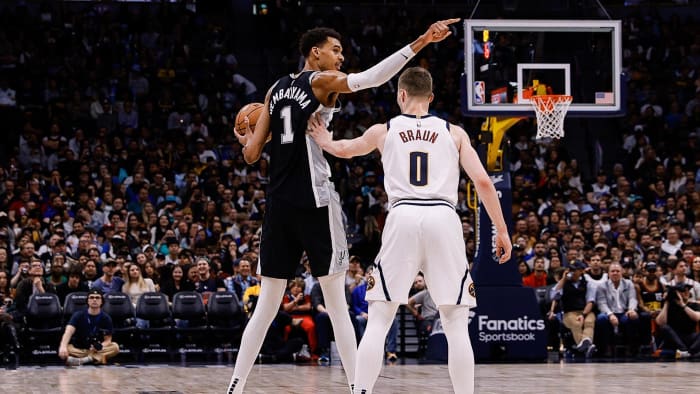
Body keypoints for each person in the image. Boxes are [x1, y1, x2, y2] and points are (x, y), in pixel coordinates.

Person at [228, 18, 460, 394]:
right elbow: (369, 78)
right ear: (314, 52)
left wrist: (245, 136)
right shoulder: (319, 80)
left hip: (279, 205)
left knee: (266, 306)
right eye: (335, 50)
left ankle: (235, 387)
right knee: (337, 307)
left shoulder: (273, 90)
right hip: (316, 202)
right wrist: (422, 41)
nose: (341, 57)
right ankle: (357, 389)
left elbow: (252, 155)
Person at [308, 66, 511, 394]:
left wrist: (325, 140)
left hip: (402, 215)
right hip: (444, 218)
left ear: (401, 95)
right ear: (430, 98)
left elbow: (345, 150)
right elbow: (484, 182)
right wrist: (501, 230)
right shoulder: (454, 132)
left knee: (379, 318)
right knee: (455, 323)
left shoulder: (383, 130)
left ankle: (360, 392)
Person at [58, 289, 119, 366]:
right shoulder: (78, 315)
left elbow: (108, 340)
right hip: (80, 349)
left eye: (97, 298)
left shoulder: (106, 318)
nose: (94, 300)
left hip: (97, 349)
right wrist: (63, 346)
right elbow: (68, 332)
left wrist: (100, 345)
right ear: (87, 301)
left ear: (101, 302)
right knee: (68, 347)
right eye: (91, 297)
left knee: (115, 347)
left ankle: (83, 360)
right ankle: (96, 358)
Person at [550, 260, 597, 357]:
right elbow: (553, 295)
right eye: (570, 269)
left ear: (581, 271)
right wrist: (563, 279)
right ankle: (587, 346)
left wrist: (583, 314)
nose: (571, 272)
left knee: (589, 322)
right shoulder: (563, 283)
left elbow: (590, 301)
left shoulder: (588, 283)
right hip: (569, 312)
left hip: (585, 311)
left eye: (574, 270)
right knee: (576, 323)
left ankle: (584, 345)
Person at [594, 262, 641, 356]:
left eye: (617, 271)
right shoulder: (602, 286)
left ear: (622, 272)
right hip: (609, 312)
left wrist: (631, 309)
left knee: (632, 318)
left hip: (624, 312)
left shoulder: (628, 283)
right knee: (601, 319)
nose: (615, 273)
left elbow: (633, 298)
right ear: (608, 273)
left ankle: (630, 347)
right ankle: (607, 347)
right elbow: (601, 303)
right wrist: (610, 314)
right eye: (612, 271)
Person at [655, 283, 700, 358]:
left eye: (688, 290)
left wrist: (682, 305)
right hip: (673, 338)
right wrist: (667, 302)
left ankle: (689, 353)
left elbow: (697, 317)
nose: (686, 293)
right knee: (664, 327)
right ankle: (684, 350)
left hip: (689, 336)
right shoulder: (670, 306)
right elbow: (660, 322)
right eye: (683, 291)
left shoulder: (694, 305)